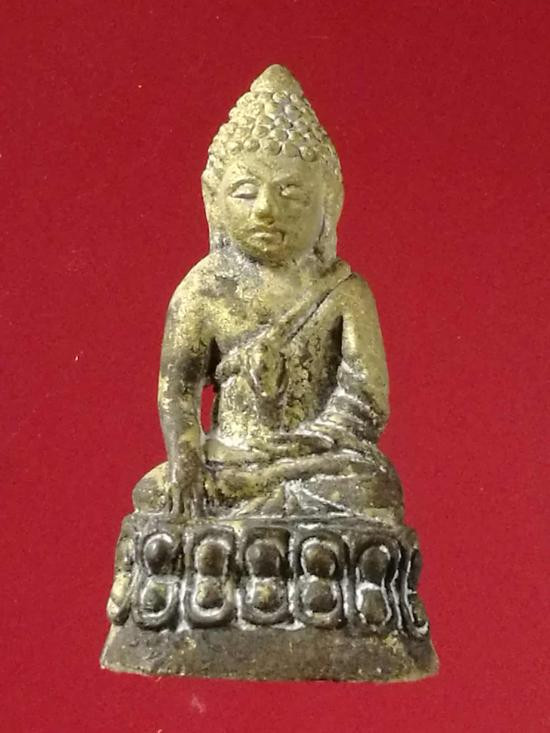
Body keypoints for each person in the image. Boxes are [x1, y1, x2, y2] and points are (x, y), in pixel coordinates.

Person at [133, 65, 403, 523]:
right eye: (244, 192)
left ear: (329, 201)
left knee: (373, 487)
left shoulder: (345, 293)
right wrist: (187, 461)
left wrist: (297, 448)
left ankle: (259, 496)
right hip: (230, 455)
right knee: (155, 494)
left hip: (316, 459)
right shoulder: (204, 289)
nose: (265, 210)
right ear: (213, 200)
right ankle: (252, 496)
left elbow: (366, 400)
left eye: (291, 193)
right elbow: (176, 391)